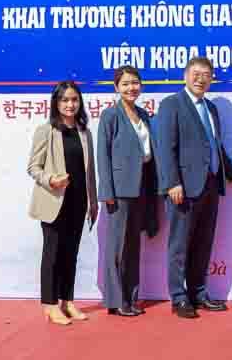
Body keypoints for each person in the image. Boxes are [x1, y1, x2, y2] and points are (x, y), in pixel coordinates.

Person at [158, 56, 232, 319]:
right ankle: (179, 298)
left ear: (211, 80)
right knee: (179, 245)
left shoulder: (211, 108)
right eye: (196, 73)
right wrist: (172, 182)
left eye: (206, 75)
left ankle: (198, 293)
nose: (201, 79)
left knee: (203, 243)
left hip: (211, 185)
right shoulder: (171, 104)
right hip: (183, 188)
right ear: (185, 75)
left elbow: (216, 146)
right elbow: (164, 147)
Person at [27, 81, 98, 325]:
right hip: (53, 201)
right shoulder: (46, 131)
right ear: (56, 103)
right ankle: (50, 305)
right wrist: (51, 180)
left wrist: (93, 201)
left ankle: (67, 301)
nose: (70, 104)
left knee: (71, 254)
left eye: (74, 99)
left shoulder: (84, 132)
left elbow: (90, 172)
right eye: (65, 100)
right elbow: (33, 167)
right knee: (53, 254)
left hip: (78, 201)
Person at [97, 65, 160, 318]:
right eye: (125, 84)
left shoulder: (144, 115)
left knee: (133, 247)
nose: (131, 88)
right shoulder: (110, 115)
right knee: (116, 247)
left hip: (142, 186)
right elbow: (103, 155)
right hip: (119, 189)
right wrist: (107, 191)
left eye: (135, 83)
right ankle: (115, 300)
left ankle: (130, 298)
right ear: (116, 87)